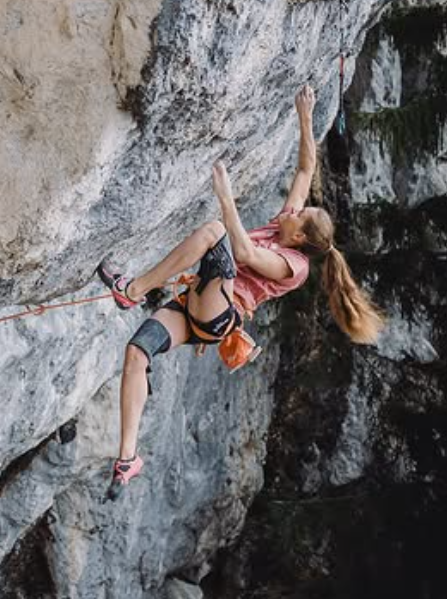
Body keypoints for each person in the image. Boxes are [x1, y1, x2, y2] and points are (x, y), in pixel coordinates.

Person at [96, 85, 384, 501]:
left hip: (220, 314)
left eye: (299, 214)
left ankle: (133, 289)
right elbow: (305, 171)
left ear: (299, 236)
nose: (293, 210)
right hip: (196, 312)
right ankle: (127, 458)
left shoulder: (294, 267)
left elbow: (244, 251)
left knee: (216, 233)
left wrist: (225, 196)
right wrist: (306, 116)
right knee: (137, 352)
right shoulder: (285, 224)